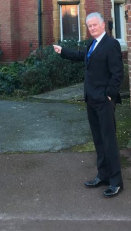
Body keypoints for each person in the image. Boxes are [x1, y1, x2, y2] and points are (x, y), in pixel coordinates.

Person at [53, 12, 124, 198]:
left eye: (94, 25)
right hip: (91, 99)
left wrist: (110, 94)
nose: (92, 28)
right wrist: (63, 52)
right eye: (89, 26)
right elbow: (82, 56)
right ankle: (103, 175)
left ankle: (116, 182)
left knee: (109, 140)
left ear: (102, 25)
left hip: (104, 100)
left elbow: (117, 73)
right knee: (98, 139)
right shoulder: (92, 44)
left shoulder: (111, 44)